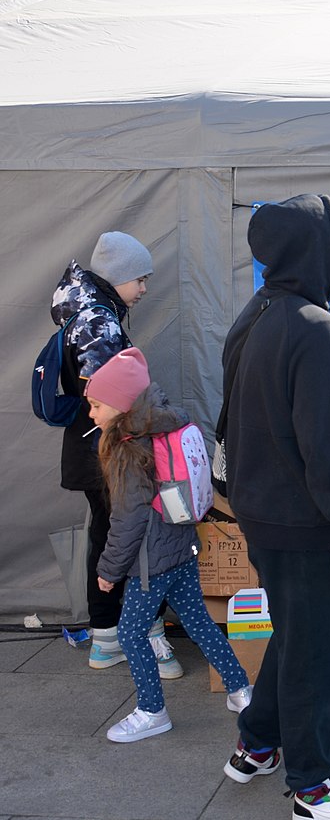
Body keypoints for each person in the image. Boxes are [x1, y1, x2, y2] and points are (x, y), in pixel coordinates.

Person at [220, 194, 330, 820]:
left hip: (263, 512)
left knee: (295, 635)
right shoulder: (316, 329)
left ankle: (256, 745)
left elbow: (229, 417)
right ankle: (315, 789)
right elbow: (329, 446)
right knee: (319, 656)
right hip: (304, 518)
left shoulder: (258, 312)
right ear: (314, 252)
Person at [88, 348, 250, 742]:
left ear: (120, 404)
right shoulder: (165, 424)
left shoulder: (129, 449)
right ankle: (242, 691)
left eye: (96, 404)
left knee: (129, 634)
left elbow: (128, 520)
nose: (91, 414)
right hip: (181, 546)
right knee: (198, 621)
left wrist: (108, 572)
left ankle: (151, 711)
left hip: (151, 562)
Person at [50, 232, 180, 676]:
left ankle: (108, 635)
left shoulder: (85, 313)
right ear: (118, 277)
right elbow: (117, 397)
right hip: (106, 448)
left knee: (108, 535)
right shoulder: (97, 323)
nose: (144, 289)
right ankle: (133, 633)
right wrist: (163, 418)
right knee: (129, 537)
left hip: (90, 445)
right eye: (139, 279)